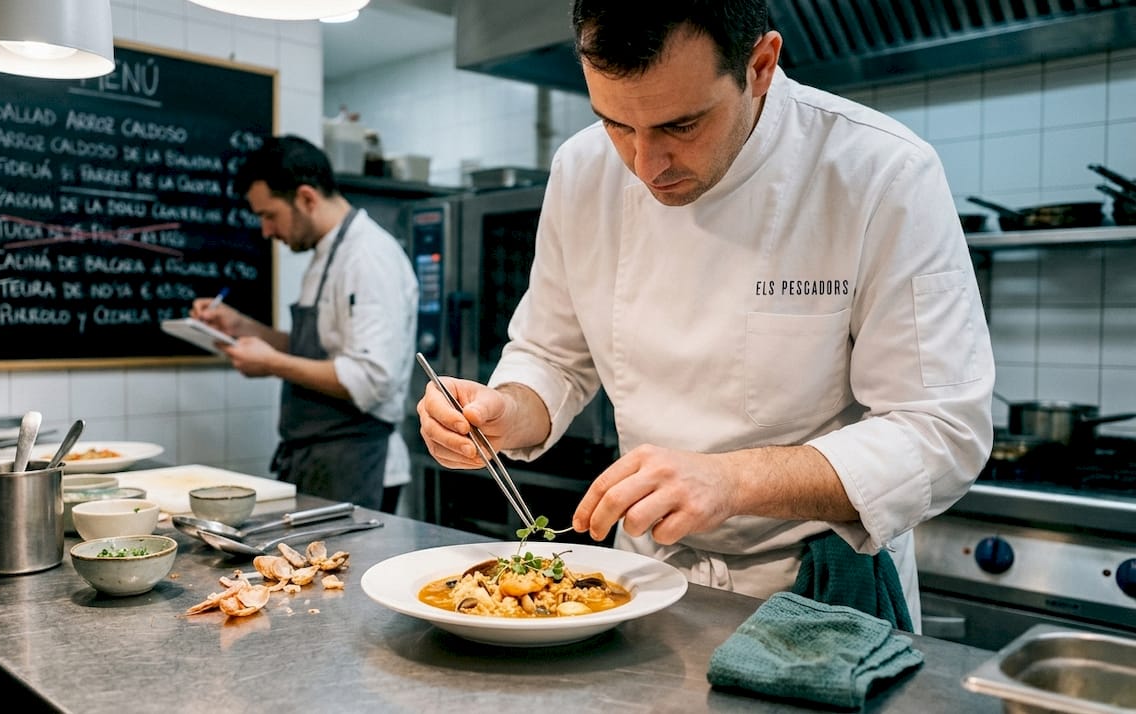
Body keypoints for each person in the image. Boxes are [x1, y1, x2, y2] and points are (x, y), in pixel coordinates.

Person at [415, 0, 994, 631]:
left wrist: (733, 480)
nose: (645, 166)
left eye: (681, 126)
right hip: (643, 580)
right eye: (615, 123)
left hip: (817, 585)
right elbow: (554, 355)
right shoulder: (582, 170)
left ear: (761, 65)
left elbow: (943, 432)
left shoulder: (880, 171)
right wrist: (505, 413)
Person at [194, 135, 418, 511]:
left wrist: (271, 364)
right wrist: (242, 326)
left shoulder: (368, 258)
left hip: (358, 461)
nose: (265, 231)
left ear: (307, 198)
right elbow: (321, 349)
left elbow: (371, 377)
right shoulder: (325, 254)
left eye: (269, 215)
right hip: (319, 460)